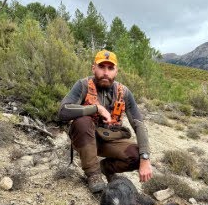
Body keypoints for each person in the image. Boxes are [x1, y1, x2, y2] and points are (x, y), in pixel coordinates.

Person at [57, 49, 153, 193]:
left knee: (137, 156)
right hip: (85, 138)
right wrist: (96, 108)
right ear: (93, 67)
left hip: (109, 139)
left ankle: (103, 168)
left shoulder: (124, 92)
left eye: (110, 68)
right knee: (82, 121)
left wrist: (145, 157)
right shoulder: (82, 85)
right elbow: (63, 111)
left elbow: (139, 124)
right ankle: (93, 175)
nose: (106, 72)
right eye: (102, 67)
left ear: (116, 71)